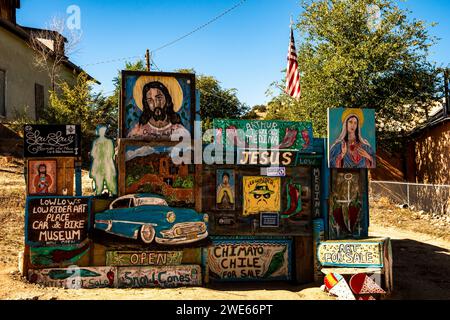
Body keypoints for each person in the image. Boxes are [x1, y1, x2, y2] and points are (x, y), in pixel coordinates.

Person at [90, 126, 117, 196]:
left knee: (101, 182)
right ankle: (112, 194)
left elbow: (93, 153)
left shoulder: (96, 142)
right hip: (106, 163)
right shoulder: (109, 142)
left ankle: (99, 195)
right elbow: (111, 153)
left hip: (100, 163)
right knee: (109, 181)